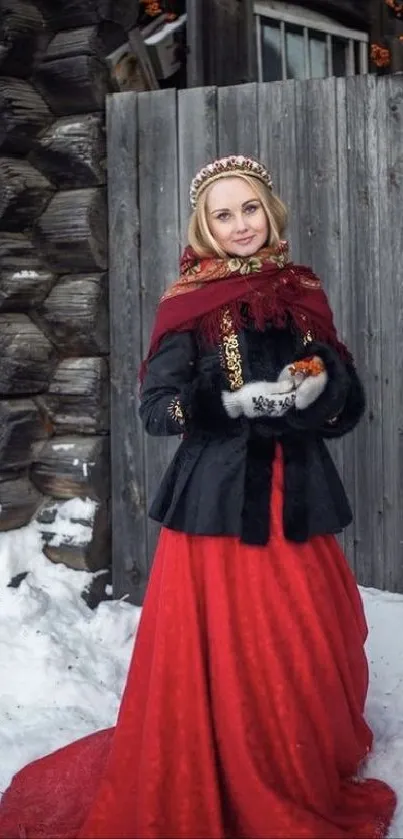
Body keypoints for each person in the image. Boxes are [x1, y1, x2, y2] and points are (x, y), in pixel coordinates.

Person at [0, 155, 397, 839]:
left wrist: (320, 386)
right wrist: (229, 400)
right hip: (216, 509)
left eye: (249, 208)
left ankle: (293, 758)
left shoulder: (301, 288)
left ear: (269, 211)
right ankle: (231, 761)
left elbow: (345, 400)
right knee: (233, 651)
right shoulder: (188, 302)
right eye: (222, 214)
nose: (239, 223)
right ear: (204, 227)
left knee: (305, 641)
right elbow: (156, 409)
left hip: (295, 497)